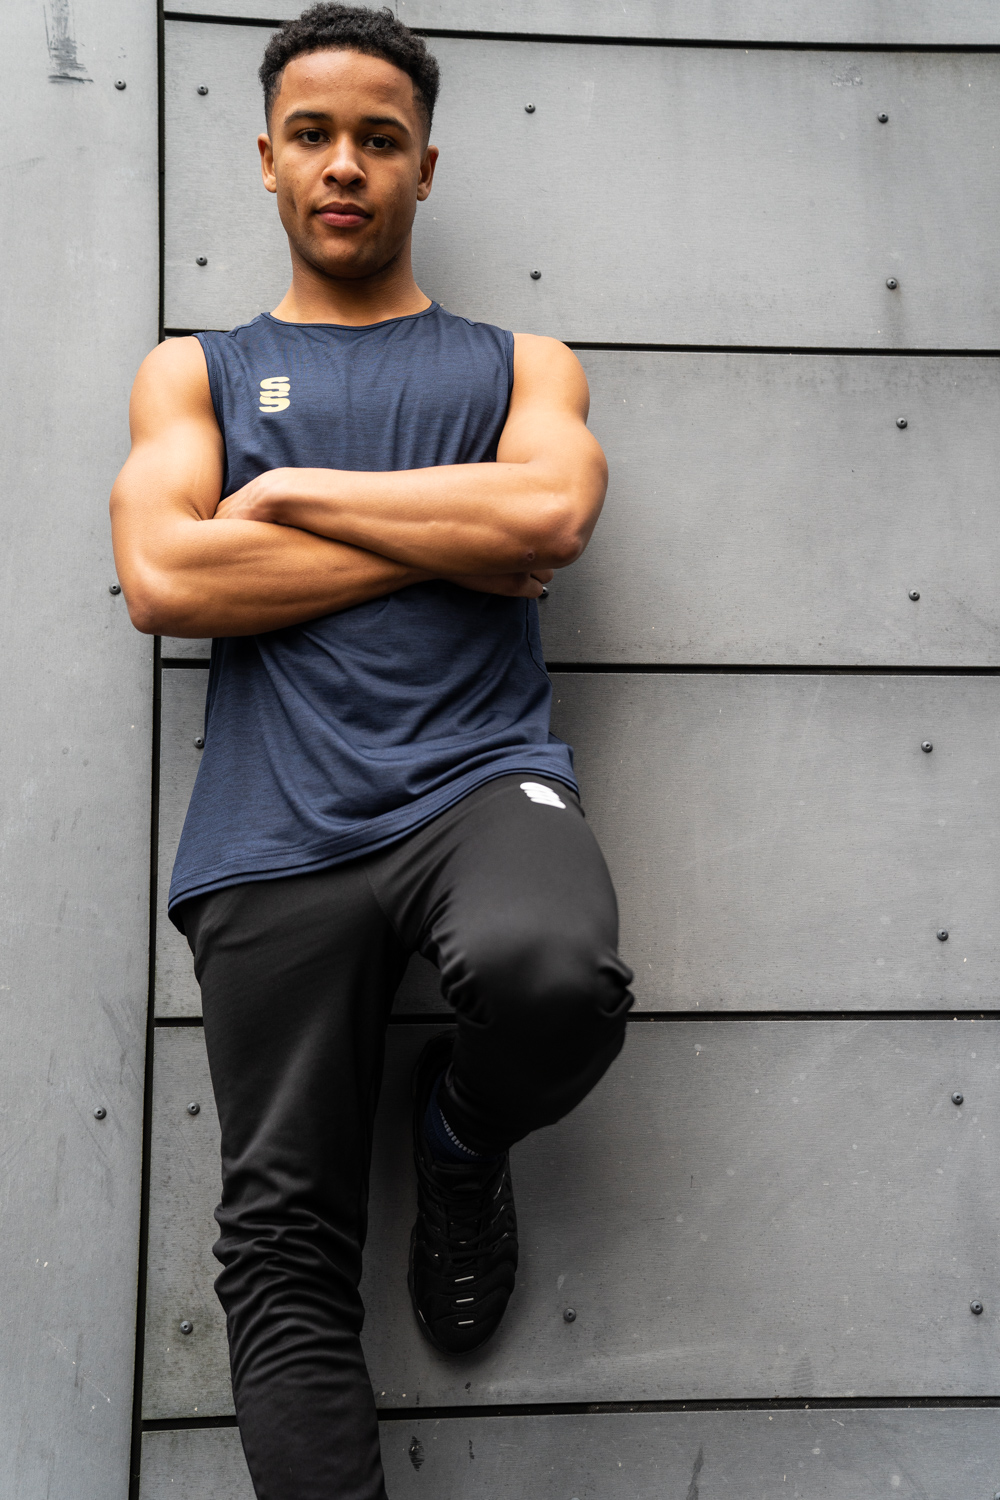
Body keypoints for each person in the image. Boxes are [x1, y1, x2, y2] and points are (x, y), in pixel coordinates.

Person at [111, 5, 633, 1496]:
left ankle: (460, 1139)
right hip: (269, 830)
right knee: (280, 1244)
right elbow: (166, 579)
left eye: (379, 138)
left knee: (555, 975)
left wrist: (284, 498)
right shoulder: (195, 372)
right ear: (268, 160)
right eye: (314, 135)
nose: (345, 163)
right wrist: (452, 534)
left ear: (425, 167)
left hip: (476, 785)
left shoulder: (520, 363)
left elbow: (548, 519)